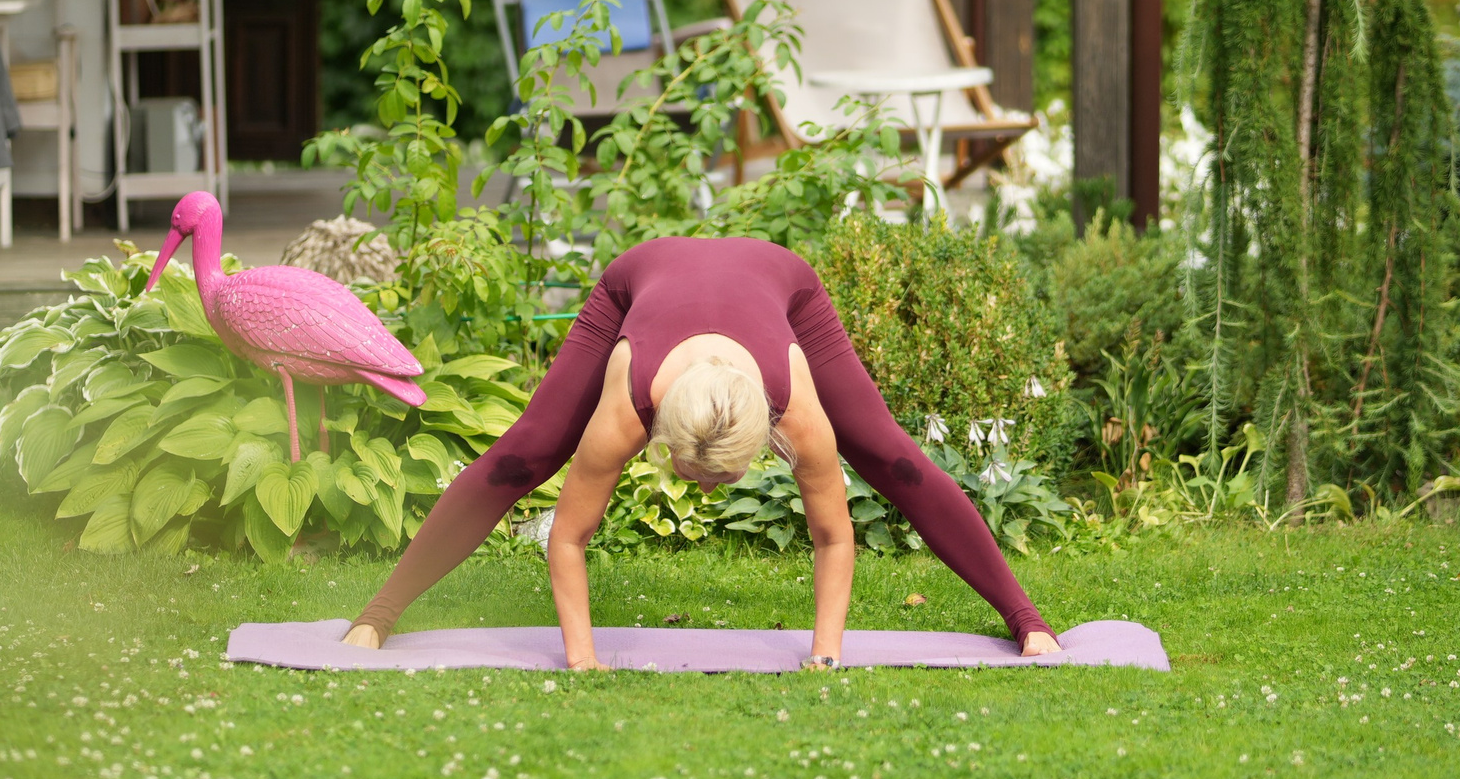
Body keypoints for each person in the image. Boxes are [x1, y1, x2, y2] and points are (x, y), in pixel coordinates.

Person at [343, 235, 1060, 669]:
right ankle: (377, 613)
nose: (711, 492)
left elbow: (833, 534)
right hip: (642, 281)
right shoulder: (629, 403)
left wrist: (827, 655)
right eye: (695, 473)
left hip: (780, 282)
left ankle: (1027, 621)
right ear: (658, 436)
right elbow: (568, 533)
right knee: (524, 452)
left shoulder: (796, 404)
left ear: (767, 432)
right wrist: (582, 661)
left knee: (892, 456)